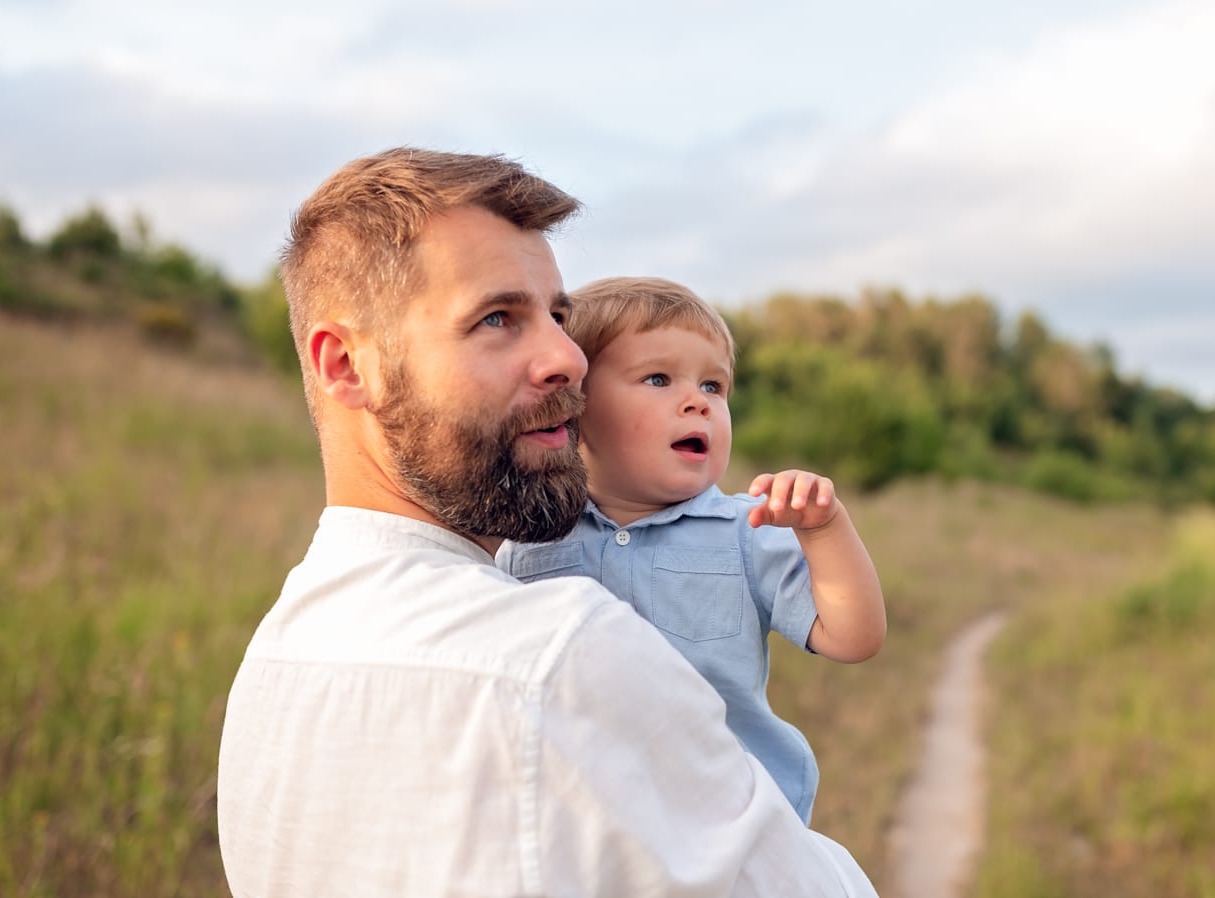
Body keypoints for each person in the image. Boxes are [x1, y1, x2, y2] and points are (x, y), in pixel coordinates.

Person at [216, 147, 878, 897]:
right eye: (497, 318)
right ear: (345, 365)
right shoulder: (563, 652)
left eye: (558, 318)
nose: (569, 358)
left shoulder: (272, 666)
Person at [497, 277, 886, 825]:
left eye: (714, 386)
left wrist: (825, 531)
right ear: (575, 405)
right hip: (582, 825)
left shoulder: (747, 529)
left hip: (729, 825)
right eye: (658, 379)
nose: (697, 402)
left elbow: (854, 637)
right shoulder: (528, 537)